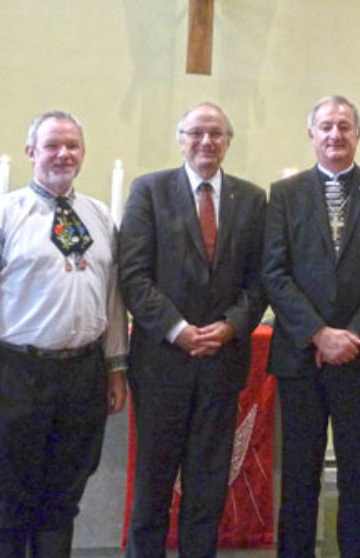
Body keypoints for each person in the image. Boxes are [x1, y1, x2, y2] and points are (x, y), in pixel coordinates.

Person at [0, 110, 128, 558]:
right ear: (31, 153)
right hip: (21, 373)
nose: (63, 153)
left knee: (63, 499)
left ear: (83, 153)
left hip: (83, 374)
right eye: (51, 145)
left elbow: (113, 300)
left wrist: (115, 369)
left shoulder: (100, 218)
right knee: (10, 500)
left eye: (72, 145)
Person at [262, 95, 360, 557]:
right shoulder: (284, 194)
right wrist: (318, 334)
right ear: (311, 135)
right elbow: (273, 272)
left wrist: (351, 336)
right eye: (325, 126)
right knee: (300, 475)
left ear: (358, 134)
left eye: (344, 126)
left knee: (358, 474)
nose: (335, 135)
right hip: (300, 357)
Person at [119, 102, 266, 558]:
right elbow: (133, 275)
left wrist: (230, 327)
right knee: (154, 481)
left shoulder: (252, 198)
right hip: (162, 363)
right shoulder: (150, 191)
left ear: (228, 142)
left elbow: (261, 279)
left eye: (216, 134)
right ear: (180, 139)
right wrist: (177, 329)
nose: (207, 142)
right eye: (196, 133)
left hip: (222, 362)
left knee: (207, 482)